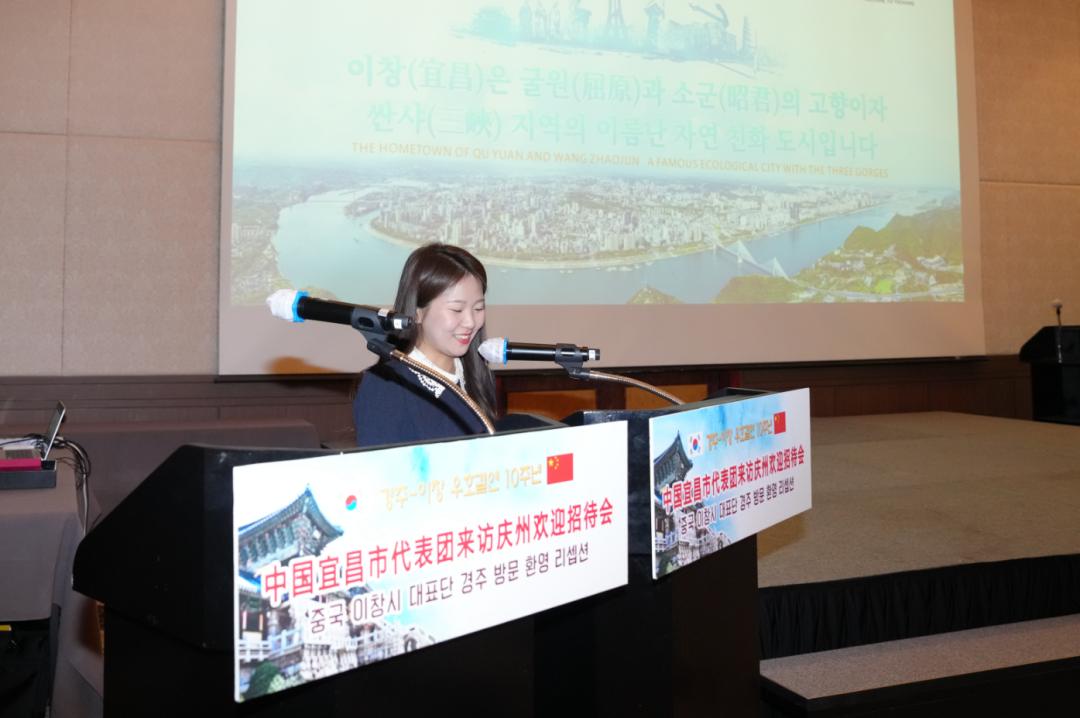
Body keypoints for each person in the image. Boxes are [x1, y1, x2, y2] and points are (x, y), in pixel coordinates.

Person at [353, 243, 497, 447]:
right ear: (417, 313)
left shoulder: (477, 376)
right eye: (457, 310)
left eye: (478, 308)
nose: (471, 322)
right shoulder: (385, 386)